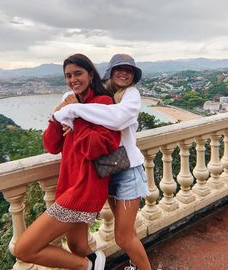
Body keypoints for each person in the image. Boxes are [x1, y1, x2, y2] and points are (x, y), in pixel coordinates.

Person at [14, 53, 121, 270]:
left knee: (23, 249)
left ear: (91, 74)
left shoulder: (103, 103)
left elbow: (96, 148)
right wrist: (57, 115)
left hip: (85, 189)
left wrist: (75, 117)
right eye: (68, 76)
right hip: (68, 186)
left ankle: (87, 267)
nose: (73, 80)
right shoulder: (71, 105)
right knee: (77, 246)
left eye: (78, 73)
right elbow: (52, 146)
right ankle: (92, 263)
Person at [53, 54, 152, 270]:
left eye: (128, 70)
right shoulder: (103, 94)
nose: (124, 73)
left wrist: (73, 112)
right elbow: (72, 95)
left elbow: (116, 119)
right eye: (119, 69)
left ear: (134, 75)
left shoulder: (131, 94)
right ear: (110, 72)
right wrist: (71, 106)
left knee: (123, 237)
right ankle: (135, 264)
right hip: (107, 171)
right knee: (127, 231)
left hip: (128, 171)